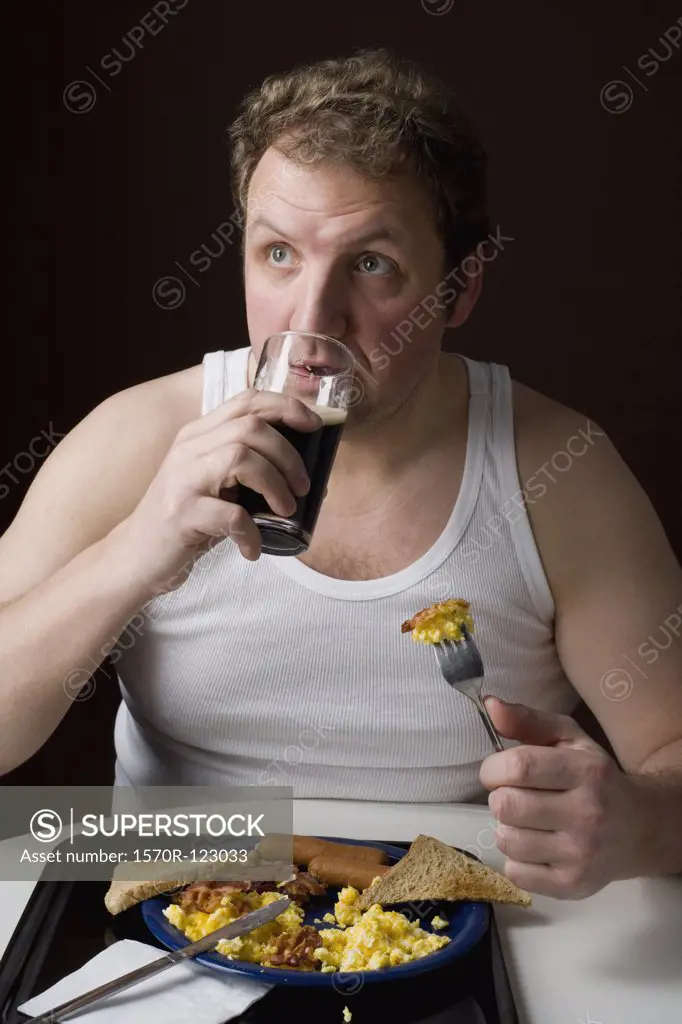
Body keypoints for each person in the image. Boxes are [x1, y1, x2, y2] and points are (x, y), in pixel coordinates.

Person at [0, 49, 680, 899]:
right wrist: (136, 548)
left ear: (460, 287)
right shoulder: (138, 439)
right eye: (278, 254)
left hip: (454, 909)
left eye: (371, 265)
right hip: (174, 903)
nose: (312, 320)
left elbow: (672, 759)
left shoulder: (558, 471)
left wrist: (639, 823)